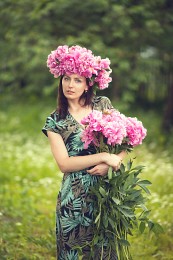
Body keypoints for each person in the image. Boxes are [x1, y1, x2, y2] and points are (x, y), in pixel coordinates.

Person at [42, 45, 126, 260]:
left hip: (106, 195)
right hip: (74, 200)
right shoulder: (55, 120)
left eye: (77, 80)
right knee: (74, 253)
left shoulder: (102, 105)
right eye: (66, 78)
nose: (70, 85)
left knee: (104, 252)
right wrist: (102, 156)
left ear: (88, 84)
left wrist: (113, 161)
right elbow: (64, 164)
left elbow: (126, 141)